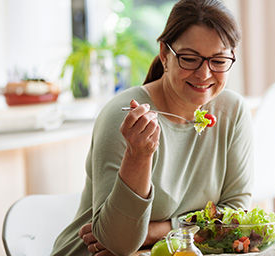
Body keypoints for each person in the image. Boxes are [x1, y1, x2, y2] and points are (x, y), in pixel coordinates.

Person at [51, 0, 254, 255]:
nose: (204, 74)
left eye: (219, 60)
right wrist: (139, 155)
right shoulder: (126, 117)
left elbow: (237, 213)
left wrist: (158, 231)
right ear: (165, 54)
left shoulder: (231, 111)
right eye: (189, 59)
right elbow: (119, 243)